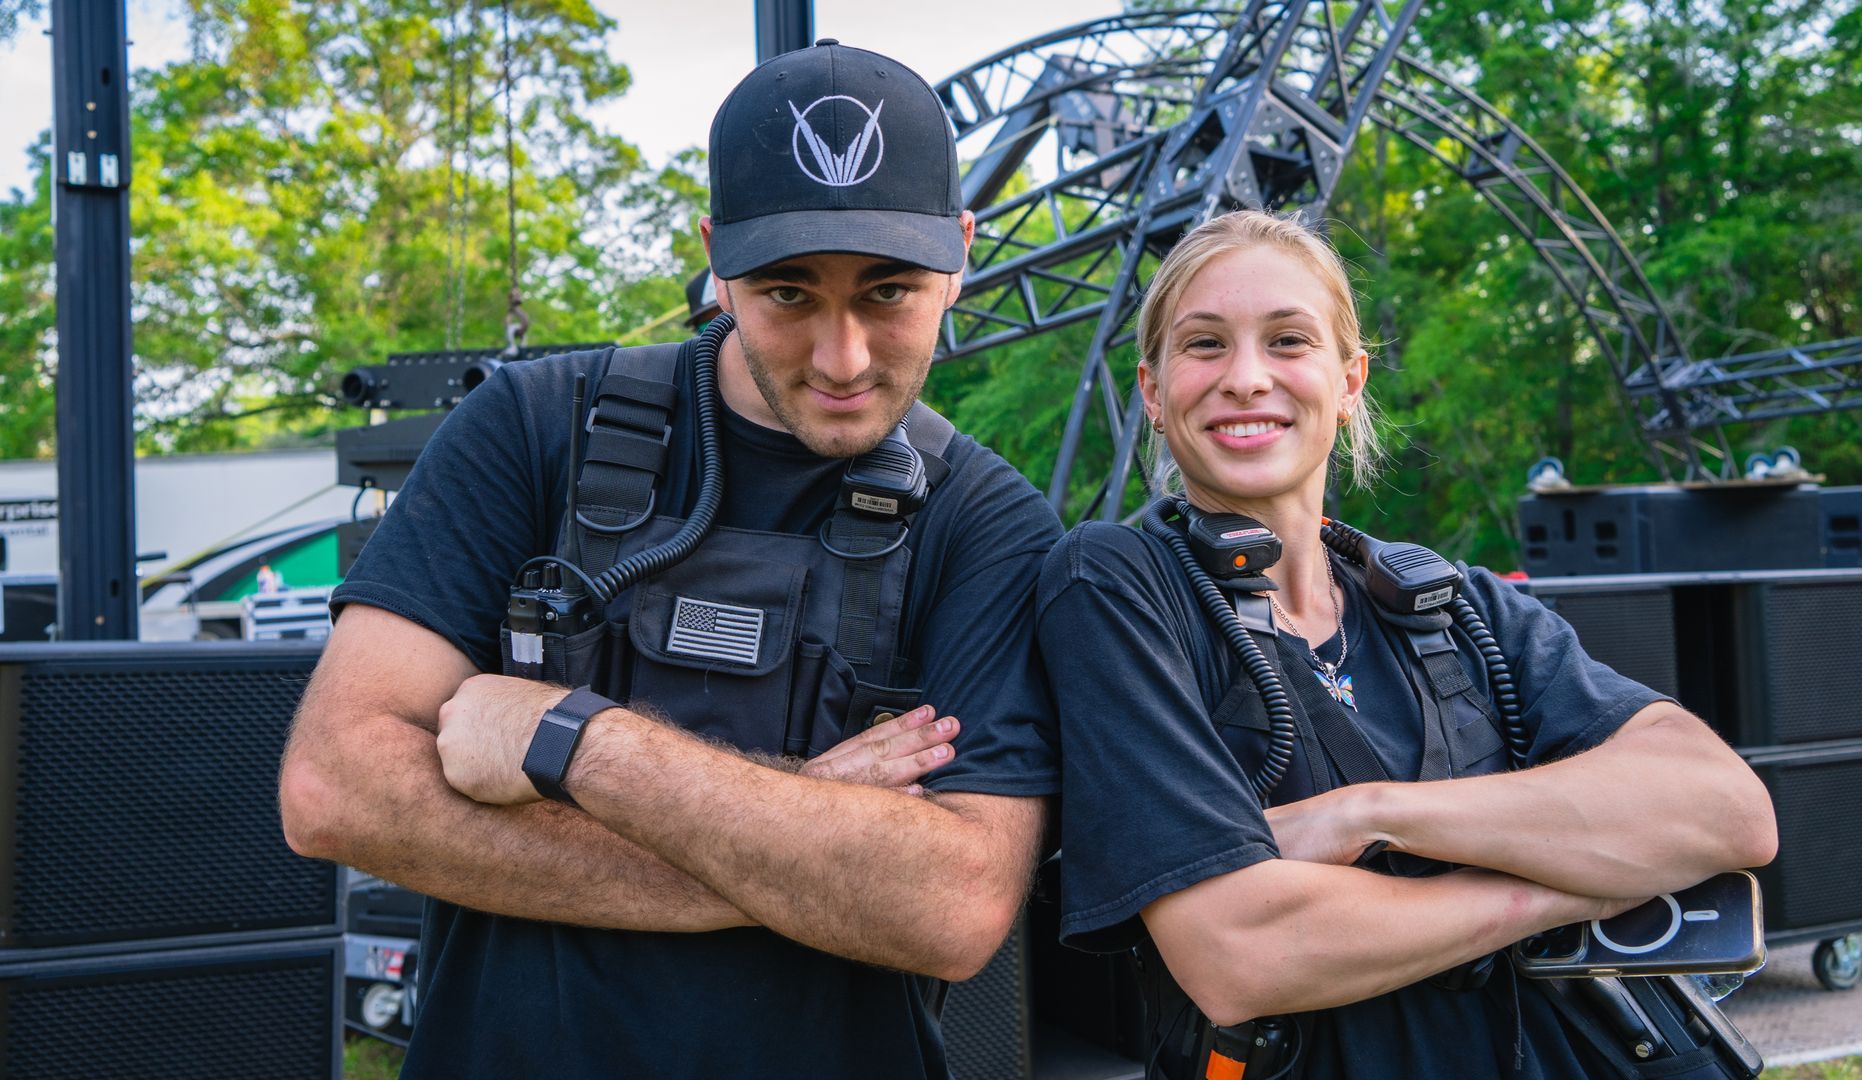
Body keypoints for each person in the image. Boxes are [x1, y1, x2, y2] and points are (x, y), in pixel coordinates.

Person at [279, 41, 1060, 1079]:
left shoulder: (990, 524)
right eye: (787, 292)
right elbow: (336, 790)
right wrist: (811, 834)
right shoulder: (531, 428)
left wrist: (579, 743)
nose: (843, 358)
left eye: (888, 292)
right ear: (716, 259)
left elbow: (952, 906)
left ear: (961, 254)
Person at [1035, 209, 1778, 1078]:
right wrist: (1572, 879)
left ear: (1349, 382)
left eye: (1287, 341)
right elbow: (1238, 953)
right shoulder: (1115, 583)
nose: (1245, 378)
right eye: (1205, 345)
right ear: (1154, 392)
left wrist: (1365, 816)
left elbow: (1729, 810)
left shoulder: (1457, 607)